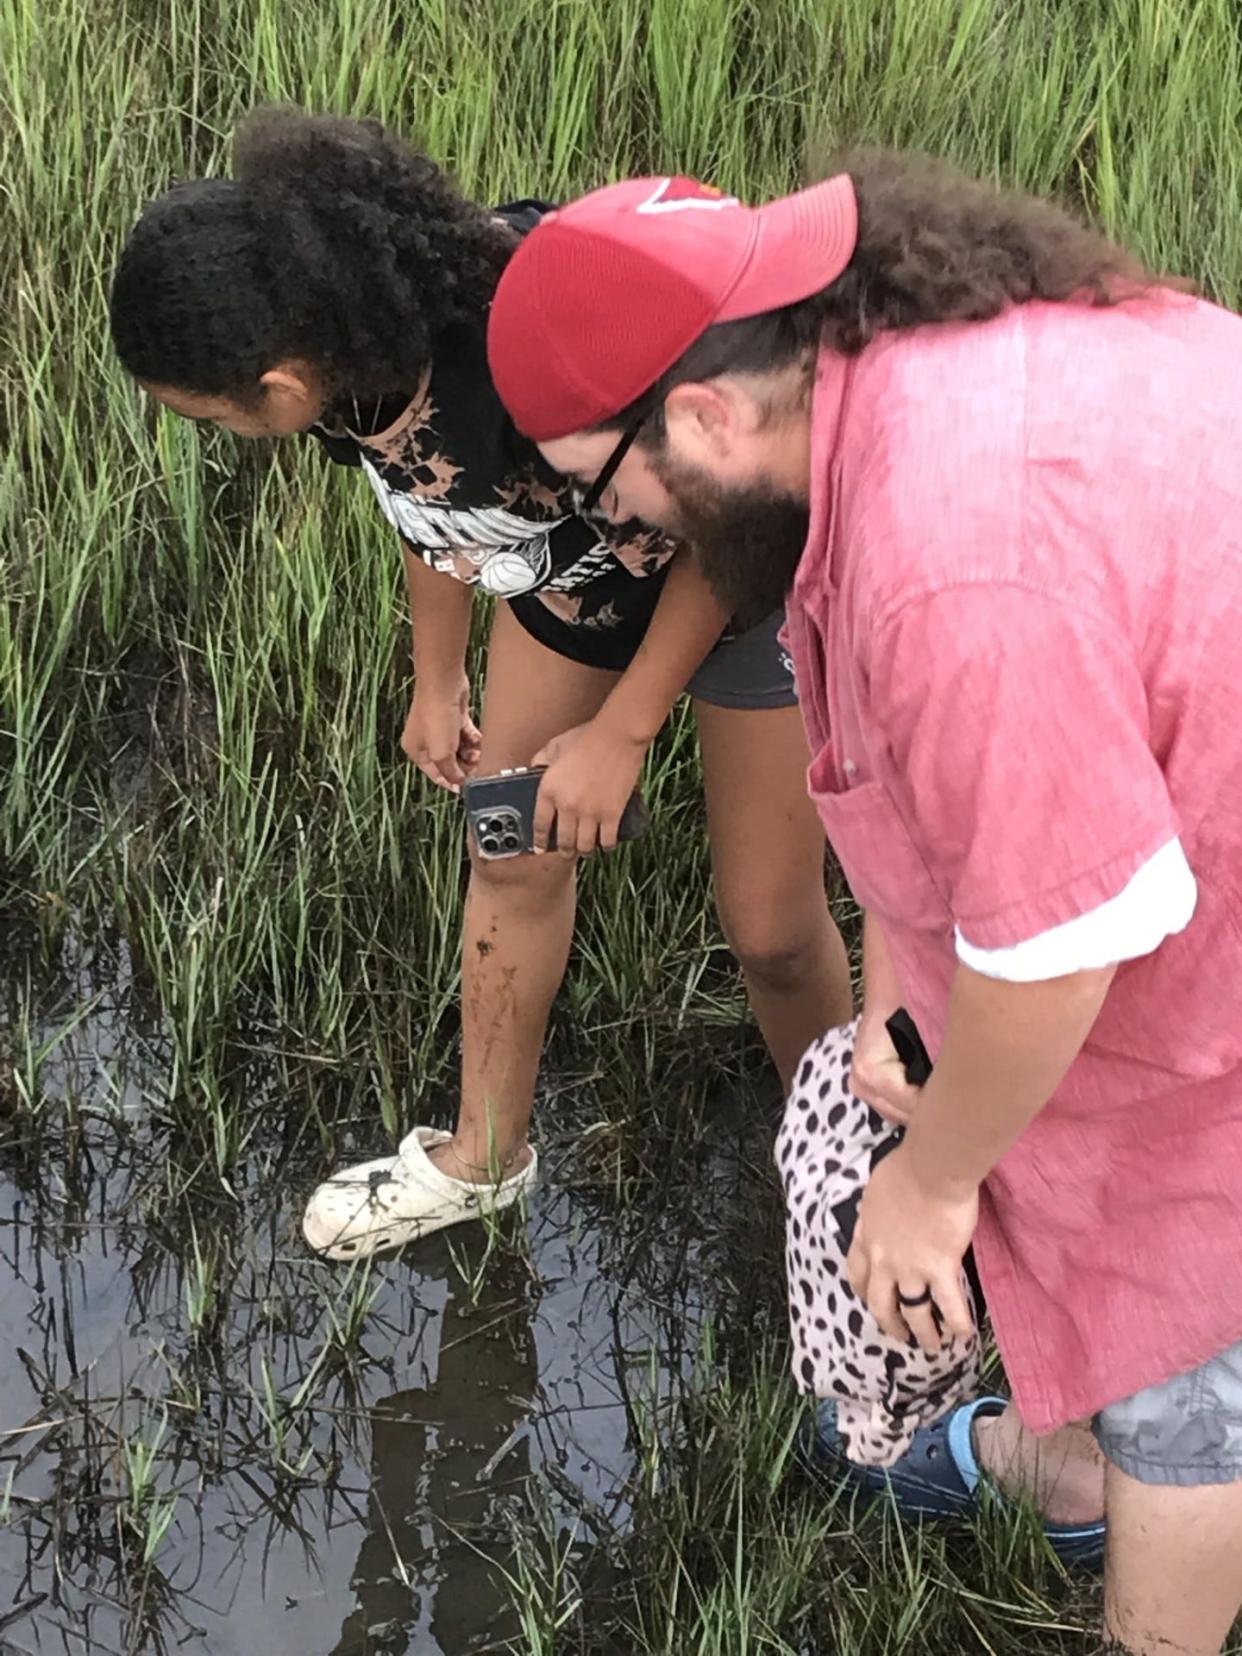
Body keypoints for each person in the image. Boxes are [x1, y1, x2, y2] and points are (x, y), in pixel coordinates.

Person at [482, 156, 1242, 1655]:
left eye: (606, 489)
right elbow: (942, 779)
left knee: (1191, 1370)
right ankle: (1068, 1471)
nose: (629, 536)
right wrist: (900, 967)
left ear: (701, 414)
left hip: (1185, 958)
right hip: (1168, 790)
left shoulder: (952, 573)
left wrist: (932, 1182)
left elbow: (1063, 947)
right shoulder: (893, 363)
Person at [108, 109, 853, 1260]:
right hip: (574, 591)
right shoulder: (347, 370)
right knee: (508, 852)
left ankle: (848, 1152)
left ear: (275, 376)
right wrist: (436, 674)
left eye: (214, 418)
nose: (223, 437)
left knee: (770, 927)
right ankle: (484, 1156)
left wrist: (625, 728)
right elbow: (430, 507)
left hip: (739, 574)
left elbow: (728, 508)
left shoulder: (519, 322)